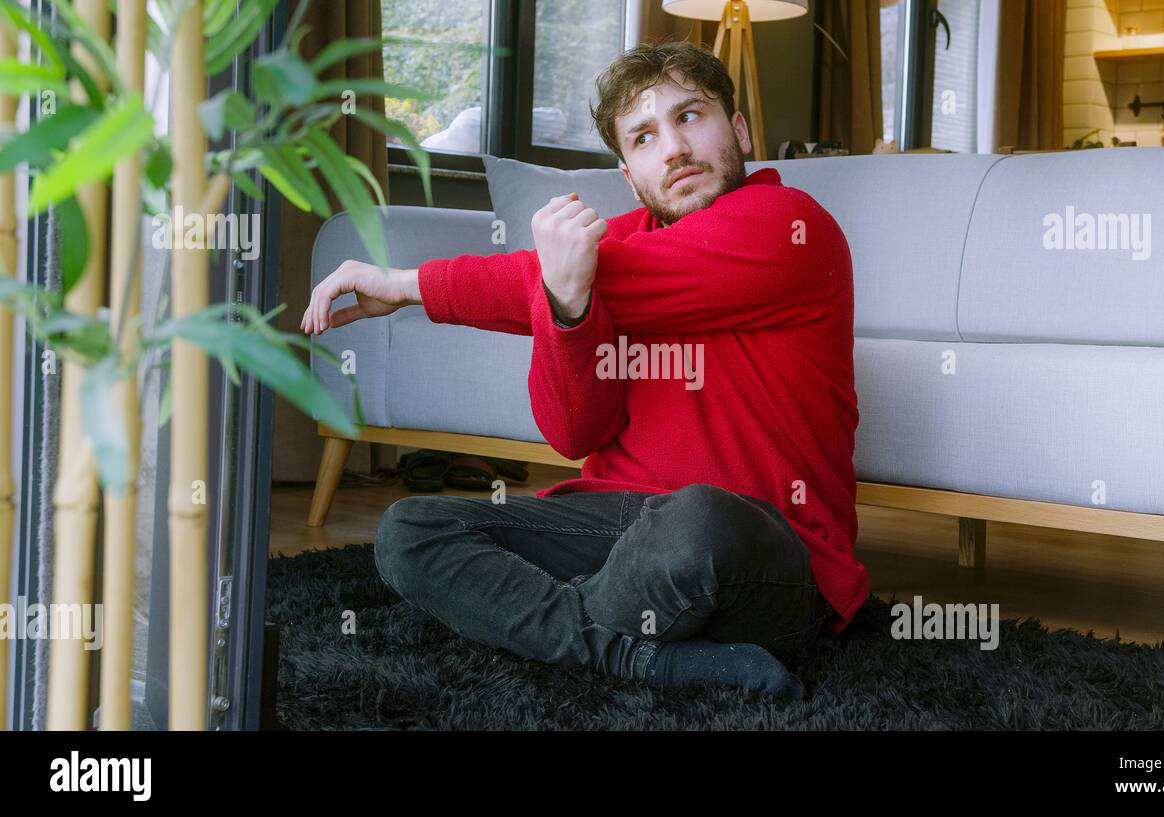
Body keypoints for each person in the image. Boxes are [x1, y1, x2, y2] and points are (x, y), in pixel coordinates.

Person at [300, 41, 867, 700]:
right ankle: (639, 656)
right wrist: (568, 309)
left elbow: (538, 279)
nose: (675, 148)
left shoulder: (791, 225)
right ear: (628, 173)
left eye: (691, 116)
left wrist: (403, 284)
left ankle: (549, 627)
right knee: (410, 532)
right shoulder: (603, 249)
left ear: (739, 130)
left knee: (698, 519)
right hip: (617, 522)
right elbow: (572, 433)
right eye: (646, 137)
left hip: (761, 546)